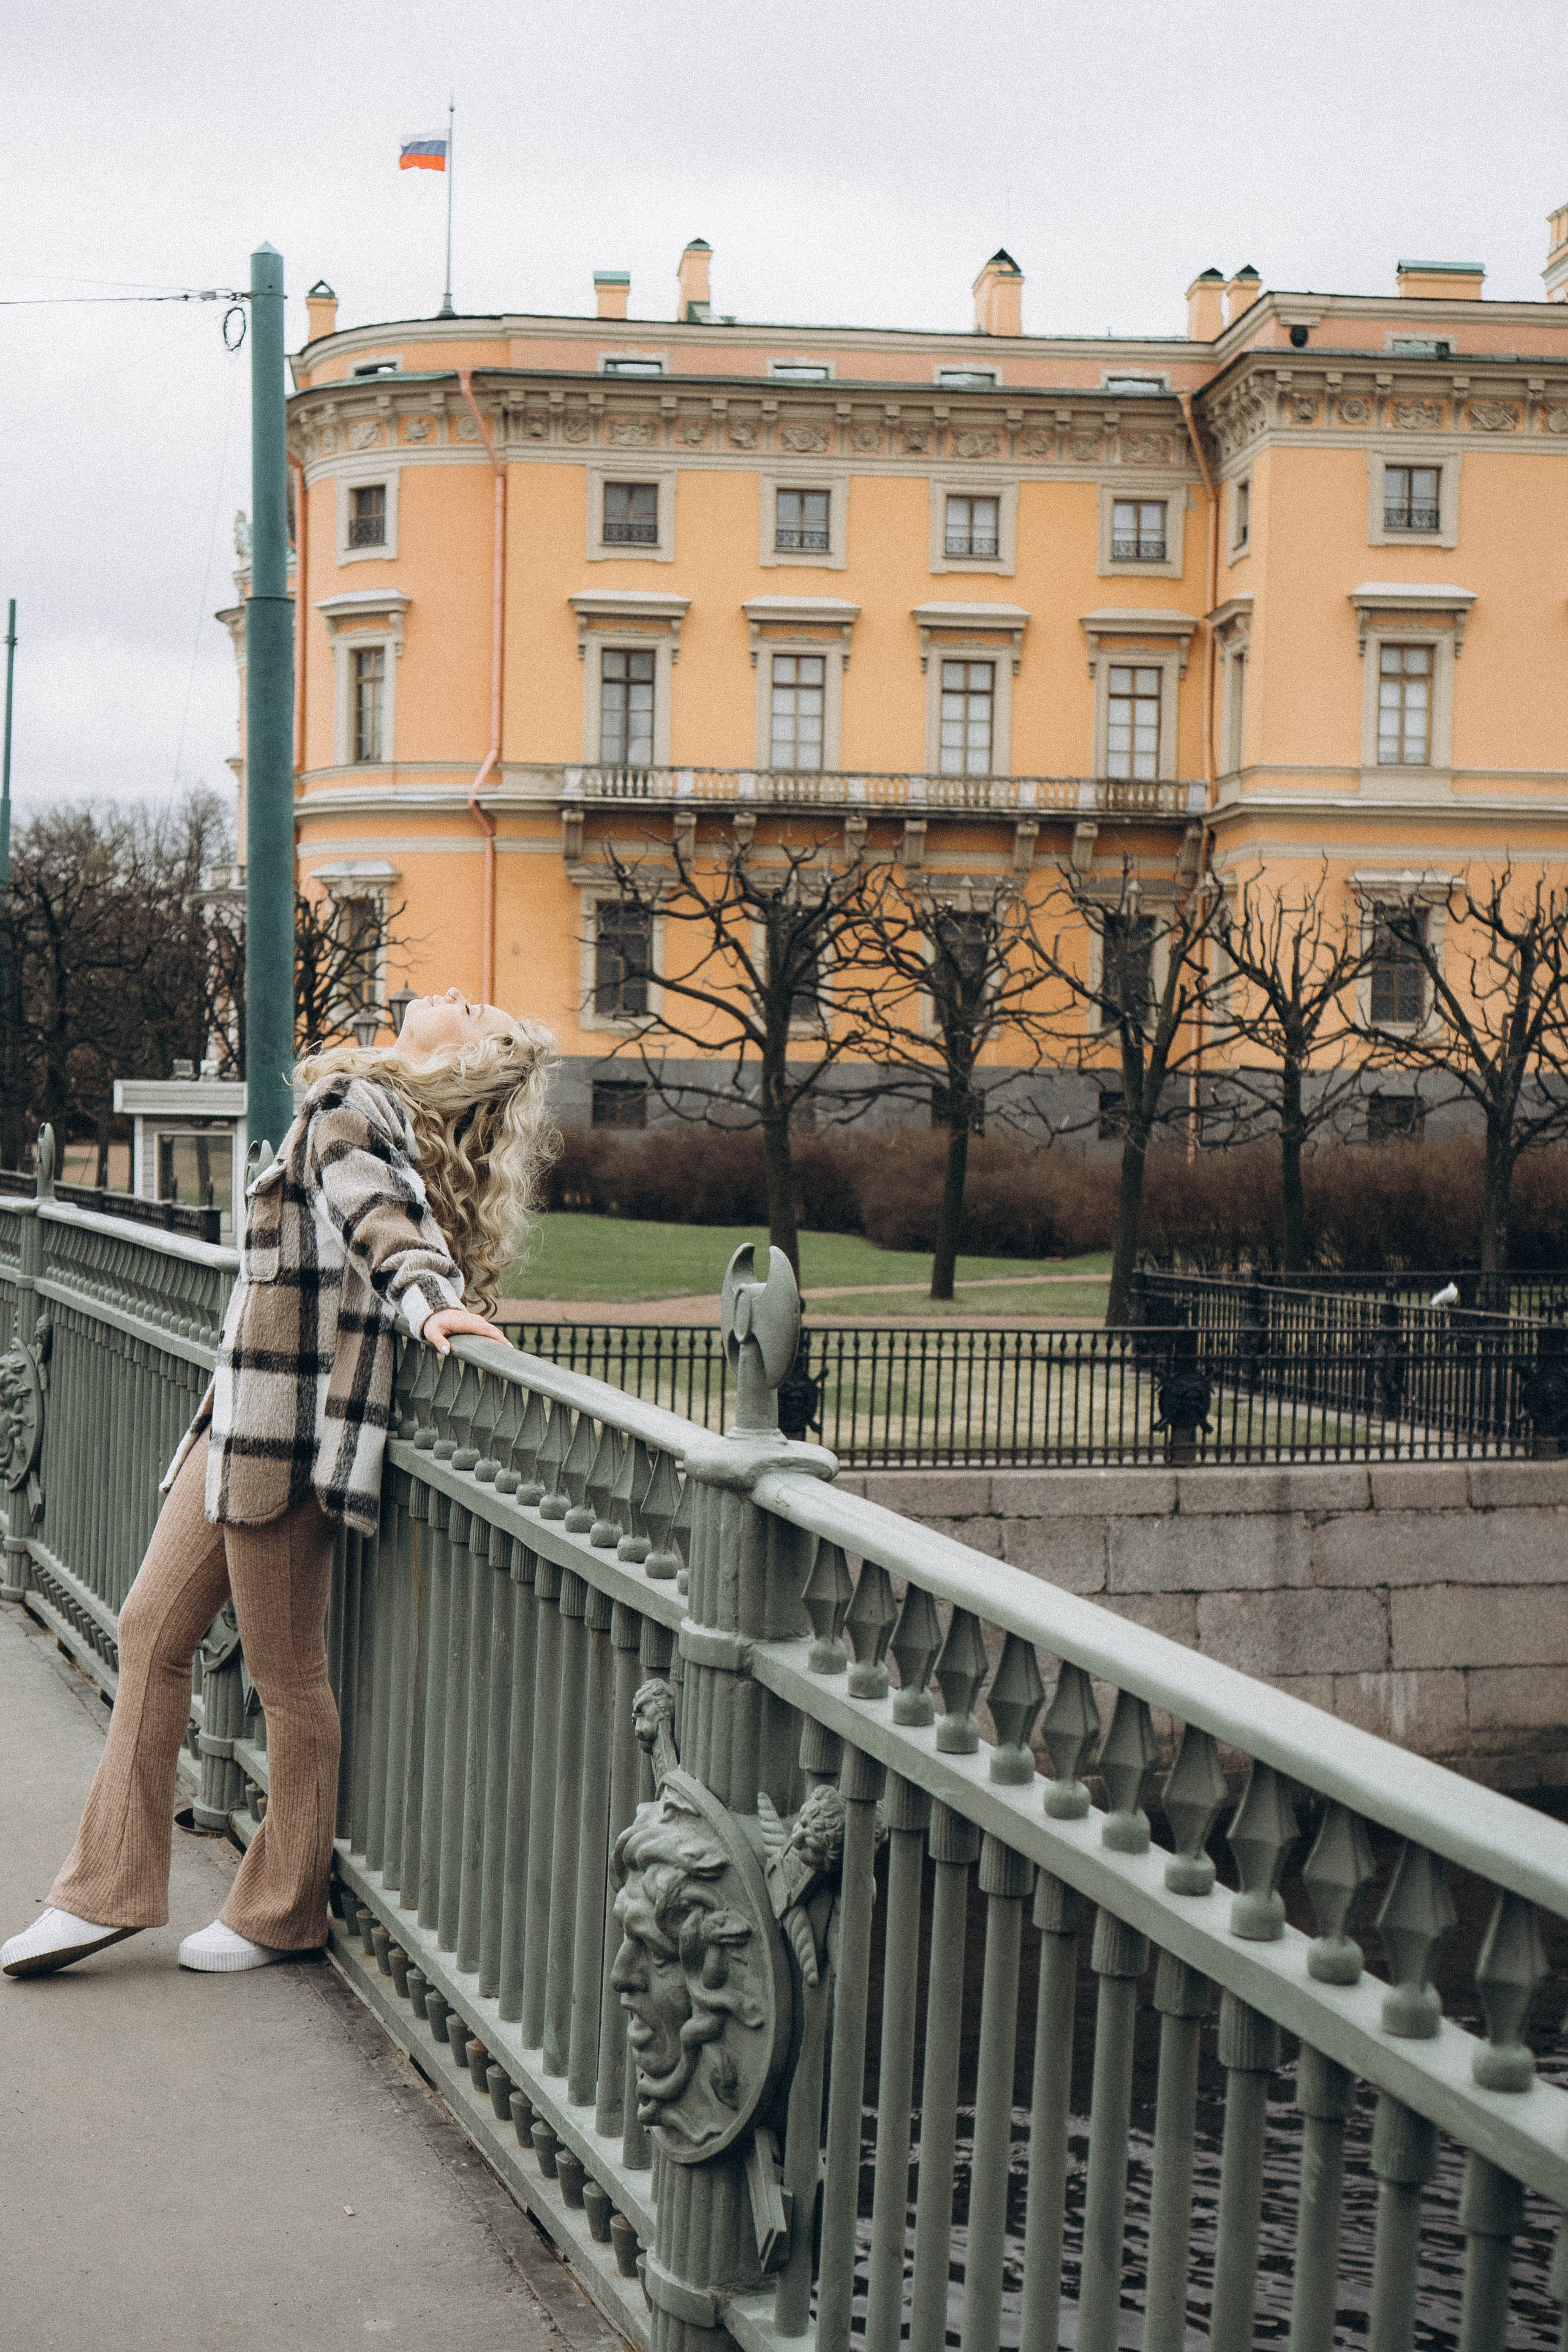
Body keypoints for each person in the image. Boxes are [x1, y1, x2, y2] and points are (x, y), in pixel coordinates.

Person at [2, 989, 554, 1981]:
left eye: (468, 1006)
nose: (442, 992)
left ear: (467, 1058)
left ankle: (277, 1910)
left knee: (287, 1681)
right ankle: (104, 1893)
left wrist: (432, 1303)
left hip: (289, 1437)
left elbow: (377, 1222)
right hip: (237, 1425)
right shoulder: (380, 1113)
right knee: (149, 1632)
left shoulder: (353, 1105)